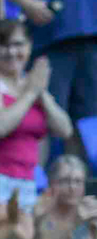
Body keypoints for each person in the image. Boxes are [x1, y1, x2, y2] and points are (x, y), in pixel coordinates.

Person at [0, 23, 74, 208]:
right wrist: (31, 93)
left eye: (18, 45)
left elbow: (65, 130)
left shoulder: (32, 84)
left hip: (27, 182)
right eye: (4, 45)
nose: (11, 52)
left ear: (29, 46)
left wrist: (41, 93)